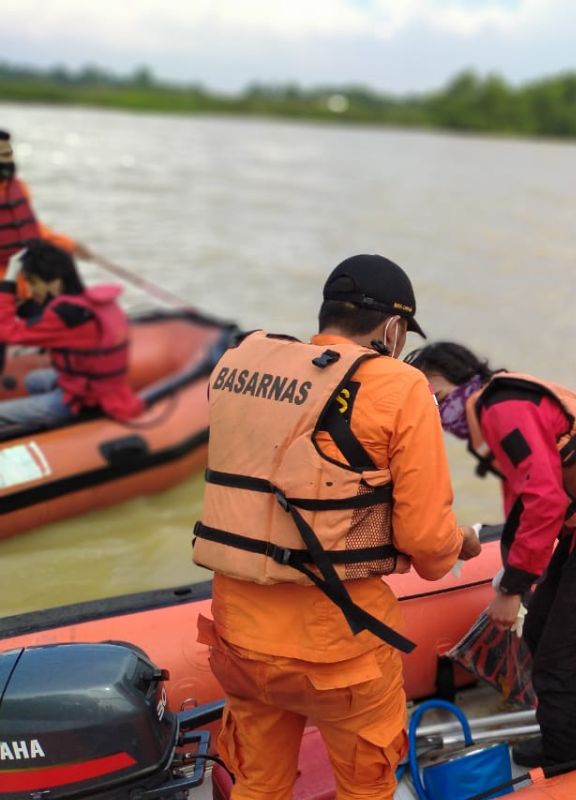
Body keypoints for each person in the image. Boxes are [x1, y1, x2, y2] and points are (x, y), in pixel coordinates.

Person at [191, 254, 483, 800]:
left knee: (257, 783)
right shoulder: (399, 386)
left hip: (239, 634)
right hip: (338, 651)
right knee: (365, 786)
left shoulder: (242, 366)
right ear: (394, 329)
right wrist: (458, 543)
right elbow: (426, 544)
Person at [405, 342, 576, 770]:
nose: (437, 409)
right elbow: (522, 499)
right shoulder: (500, 403)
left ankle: (575, 762)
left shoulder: (502, 410)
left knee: (561, 660)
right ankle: (570, 733)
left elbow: (543, 500)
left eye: (437, 395)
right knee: (540, 629)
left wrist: (512, 587)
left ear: (465, 379)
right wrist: (514, 570)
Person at [0, 241, 143, 430]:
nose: (32, 291)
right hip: (102, 388)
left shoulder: (65, 315)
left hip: (83, 400)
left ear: (56, 282)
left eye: (34, 283)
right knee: (33, 381)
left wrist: (9, 279)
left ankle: (57, 426)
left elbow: (6, 331)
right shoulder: (88, 303)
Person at [0, 129, 91, 269]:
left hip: (18, 272)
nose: (7, 160)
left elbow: (31, 229)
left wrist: (69, 245)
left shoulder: (18, 187)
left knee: (59, 264)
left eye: (8, 154)